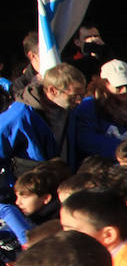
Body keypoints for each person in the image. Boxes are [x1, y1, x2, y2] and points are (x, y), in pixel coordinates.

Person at [0, 62, 84, 191]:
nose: (79, 101)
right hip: (29, 192)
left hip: (60, 185)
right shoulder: (20, 114)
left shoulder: (70, 111)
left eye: (82, 96)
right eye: (75, 96)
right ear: (53, 91)